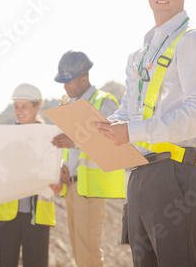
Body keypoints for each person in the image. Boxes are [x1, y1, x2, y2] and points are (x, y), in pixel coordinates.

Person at [94, 0, 196, 267]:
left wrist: (133, 130)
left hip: (174, 174)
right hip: (140, 175)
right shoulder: (140, 55)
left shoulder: (194, 41)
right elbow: (129, 111)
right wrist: (101, 129)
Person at [51, 50, 125, 267]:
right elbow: (73, 152)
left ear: (84, 77)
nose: (65, 86)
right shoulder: (71, 106)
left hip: (91, 189)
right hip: (73, 186)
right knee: (79, 253)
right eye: (62, 81)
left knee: (88, 253)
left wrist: (74, 141)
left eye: (68, 80)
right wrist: (63, 166)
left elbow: (112, 140)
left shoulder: (104, 101)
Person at [0, 83, 56, 267]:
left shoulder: (50, 138)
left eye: (24, 107)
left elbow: (56, 172)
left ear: (37, 107)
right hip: (7, 215)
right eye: (16, 107)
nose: (19, 112)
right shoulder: (4, 137)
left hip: (37, 216)